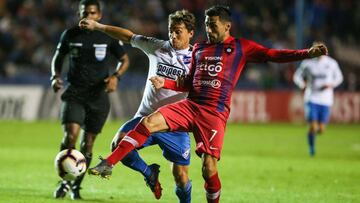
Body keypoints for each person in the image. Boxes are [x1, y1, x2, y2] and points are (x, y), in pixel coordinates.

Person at [87, 5, 327, 203]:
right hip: (189, 106)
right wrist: (167, 83)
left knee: (207, 169)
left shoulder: (241, 48)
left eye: (213, 25)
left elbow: (273, 55)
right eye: (207, 24)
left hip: (213, 113)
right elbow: (189, 82)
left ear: (226, 26)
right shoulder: (200, 49)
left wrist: (306, 53)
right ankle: (110, 162)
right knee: (148, 121)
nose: (209, 29)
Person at [79, 10, 195, 202]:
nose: (173, 36)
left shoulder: (197, 59)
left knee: (181, 178)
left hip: (176, 125)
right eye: (170, 31)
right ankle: (149, 173)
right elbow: (128, 36)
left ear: (190, 33)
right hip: (145, 117)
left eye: (178, 31)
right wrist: (98, 26)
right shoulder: (156, 47)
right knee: (118, 144)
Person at [50, 0, 129, 199]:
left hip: (98, 95)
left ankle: (76, 185)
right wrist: (55, 76)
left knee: (88, 144)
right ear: (79, 14)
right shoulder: (70, 35)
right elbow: (58, 58)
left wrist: (115, 77)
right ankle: (64, 181)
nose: (89, 16)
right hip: (75, 92)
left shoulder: (106, 36)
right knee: (71, 136)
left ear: (99, 15)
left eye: (93, 13)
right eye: (85, 13)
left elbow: (125, 59)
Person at [293, 53, 343, 156]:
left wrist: (331, 84)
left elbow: (339, 77)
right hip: (311, 98)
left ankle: (314, 134)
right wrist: (302, 84)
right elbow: (297, 76)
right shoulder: (307, 63)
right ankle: (311, 147)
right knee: (313, 126)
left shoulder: (331, 63)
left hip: (326, 100)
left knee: (321, 129)